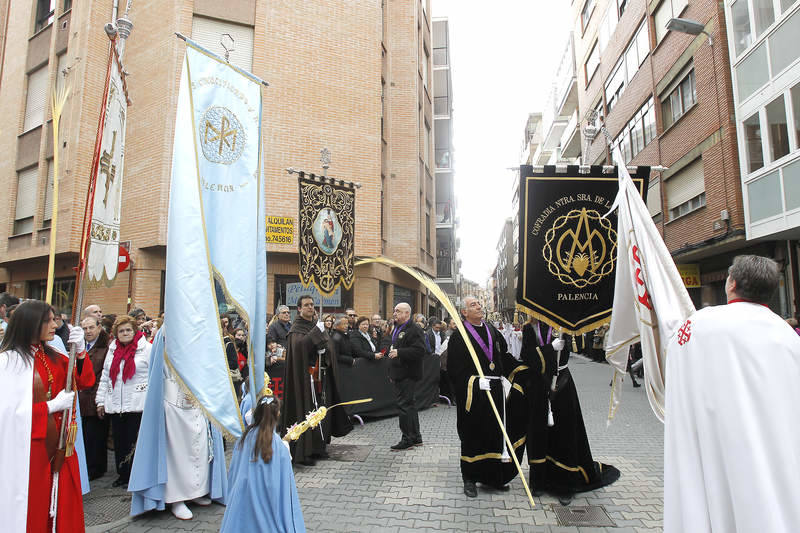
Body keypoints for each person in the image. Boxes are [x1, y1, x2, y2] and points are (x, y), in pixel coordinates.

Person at [664, 255, 800, 532]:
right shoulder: (789, 337)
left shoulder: (701, 323)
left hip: (719, 444)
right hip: (776, 453)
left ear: (732, 283)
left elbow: (674, 349)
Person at [0, 300, 94, 533]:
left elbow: (83, 381)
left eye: (54, 319)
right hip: (30, 451)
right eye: (49, 320)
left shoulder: (52, 355)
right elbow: (7, 414)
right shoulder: (7, 362)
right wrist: (49, 407)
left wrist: (80, 352)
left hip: (60, 447)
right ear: (31, 324)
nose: (56, 324)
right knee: (34, 508)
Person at [129, 328, 227, 520]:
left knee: (200, 451)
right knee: (177, 454)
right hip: (173, 406)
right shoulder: (167, 331)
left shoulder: (198, 329)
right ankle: (176, 498)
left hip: (197, 404)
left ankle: (198, 492)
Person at [520, 317, 619, 504]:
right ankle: (539, 481)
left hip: (562, 384)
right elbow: (527, 356)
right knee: (539, 432)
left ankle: (565, 483)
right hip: (539, 385)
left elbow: (578, 347)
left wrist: (574, 329)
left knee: (565, 431)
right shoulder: (529, 328)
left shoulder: (563, 326)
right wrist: (550, 349)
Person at [447, 297, 528, 497]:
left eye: (478, 304)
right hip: (473, 393)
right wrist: (473, 382)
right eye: (473, 305)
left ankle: (492, 477)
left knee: (494, 432)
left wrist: (524, 370)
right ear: (464, 312)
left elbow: (504, 357)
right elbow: (453, 369)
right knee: (473, 433)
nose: (479, 306)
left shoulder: (492, 331)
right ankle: (470, 478)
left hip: (495, 389)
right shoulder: (460, 336)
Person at [280, 295, 351, 465]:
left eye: (312, 305)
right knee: (306, 412)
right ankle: (305, 451)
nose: (311, 307)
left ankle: (318, 447)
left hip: (320, 377)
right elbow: (300, 348)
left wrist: (324, 350)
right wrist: (315, 335)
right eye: (306, 305)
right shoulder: (296, 328)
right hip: (305, 380)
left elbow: (327, 346)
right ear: (299, 309)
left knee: (320, 413)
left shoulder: (314, 325)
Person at [221, 394, 304, 532]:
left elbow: (235, 469)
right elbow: (285, 486)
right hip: (268, 500)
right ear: (277, 415)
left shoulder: (244, 438)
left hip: (244, 496)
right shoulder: (278, 445)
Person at [95, 315, 151, 487]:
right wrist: (100, 401)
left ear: (135, 331)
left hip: (138, 404)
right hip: (116, 403)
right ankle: (122, 474)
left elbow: (153, 376)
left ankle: (136, 475)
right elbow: (105, 376)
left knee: (135, 441)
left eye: (128, 330)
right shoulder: (112, 351)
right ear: (116, 333)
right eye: (121, 331)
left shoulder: (147, 349)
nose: (125, 333)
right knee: (119, 442)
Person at [387, 302, 426, 451]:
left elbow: (420, 351)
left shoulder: (414, 329)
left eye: (398, 311)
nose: (395, 313)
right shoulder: (397, 328)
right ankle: (416, 437)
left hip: (408, 374)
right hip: (400, 373)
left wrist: (400, 352)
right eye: (394, 310)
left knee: (404, 407)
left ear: (406, 314)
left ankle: (407, 439)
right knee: (410, 406)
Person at [79, 315, 111, 480]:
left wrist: (100, 399)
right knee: (85, 436)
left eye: (91, 327)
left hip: (96, 397)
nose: (88, 331)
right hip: (81, 398)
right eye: (85, 328)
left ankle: (96, 469)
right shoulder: (79, 346)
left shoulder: (106, 347)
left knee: (96, 437)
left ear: (99, 327)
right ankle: (87, 467)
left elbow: (104, 375)